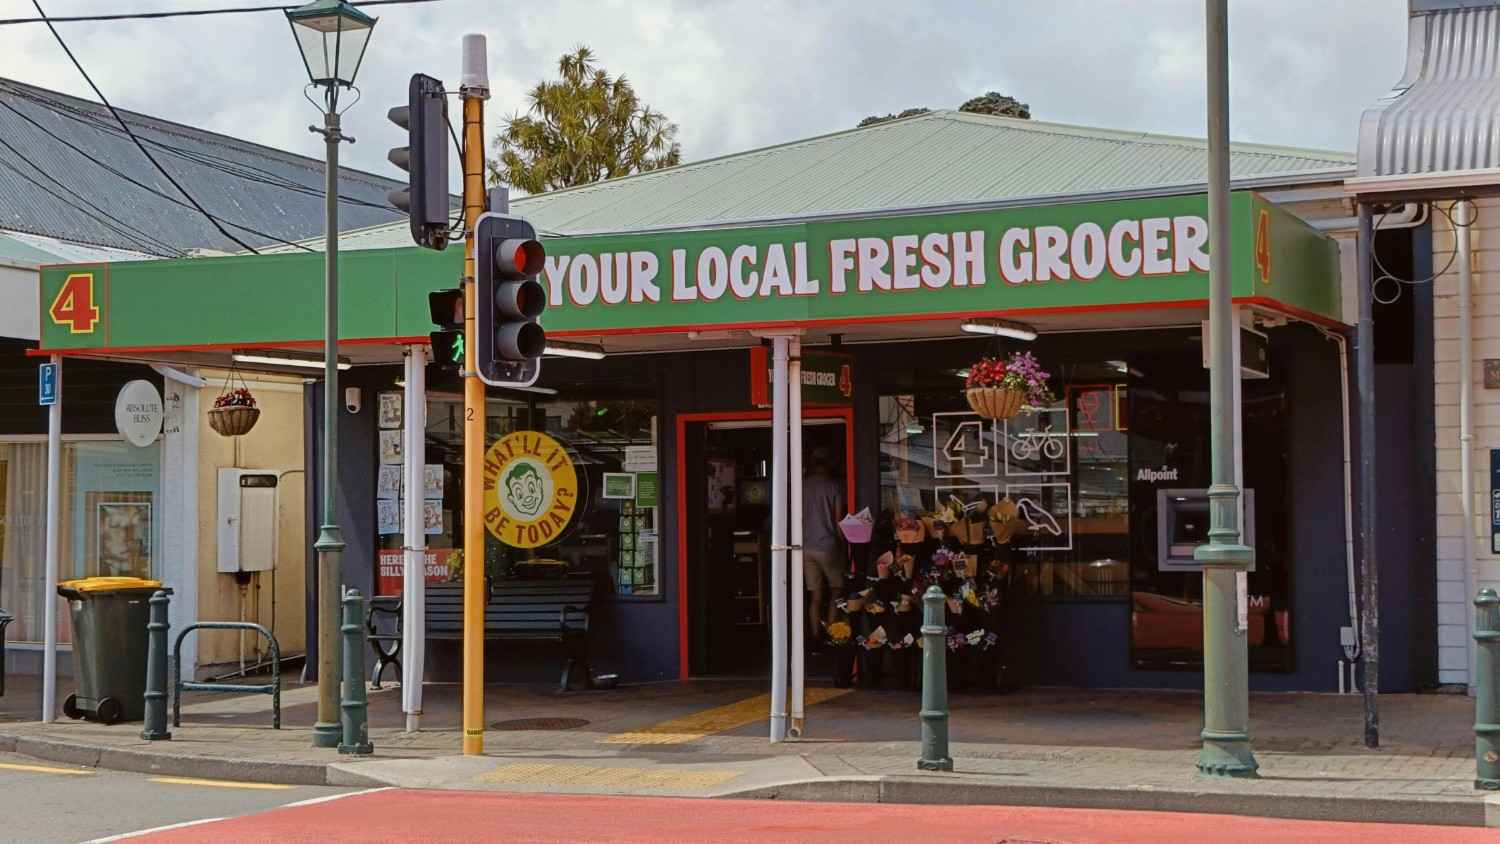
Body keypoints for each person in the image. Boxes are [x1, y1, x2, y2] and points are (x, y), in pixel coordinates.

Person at [802, 447, 845, 638]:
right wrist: (844, 545)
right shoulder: (834, 485)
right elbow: (838, 520)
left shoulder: (802, 485)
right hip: (827, 545)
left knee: (815, 597)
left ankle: (815, 637)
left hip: (805, 546)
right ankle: (832, 635)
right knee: (836, 590)